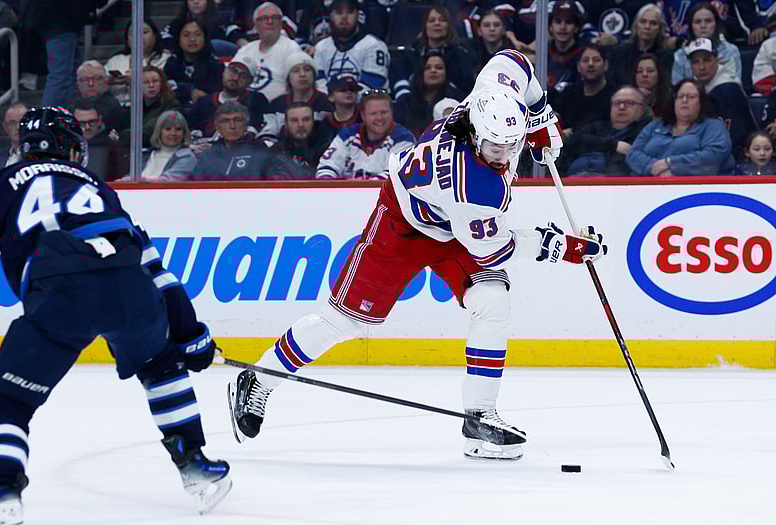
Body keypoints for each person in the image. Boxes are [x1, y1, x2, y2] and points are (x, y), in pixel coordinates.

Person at [226, 49, 572, 461]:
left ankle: (480, 419)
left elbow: (513, 60)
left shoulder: (490, 99)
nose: (504, 155)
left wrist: (541, 117)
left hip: (452, 225)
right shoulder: (473, 184)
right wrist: (559, 245)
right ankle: (259, 381)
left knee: (492, 299)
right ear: (477, 135)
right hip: (403, 226)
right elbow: (496, 245)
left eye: (511, 145)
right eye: (496, 147)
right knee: (344, 322)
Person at [0, 107, 231, 524]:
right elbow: (157, 270)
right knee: (161, 363)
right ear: (70, 147)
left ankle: (1, 490)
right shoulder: (97, 186)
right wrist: (191, 336)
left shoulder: (0, 184)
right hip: (125, 282)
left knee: (11, 401)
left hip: (57, 287)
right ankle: (195, 464)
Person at [627, 79, 733, 176]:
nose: (684, 100)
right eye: (680, 96)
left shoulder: (712, 126)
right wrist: (654, 168)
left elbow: (713, 156)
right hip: (646, 187)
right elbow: (632, 154)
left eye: (691, 97)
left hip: (694, 189)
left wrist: (670, 164)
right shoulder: (656, 124)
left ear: (701, 102)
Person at [316, 90, 415, 179]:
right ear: (363, 115)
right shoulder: (347, 135)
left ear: (392, 113)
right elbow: (326, 168)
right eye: (373, 113)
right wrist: (330, 188)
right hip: (345, 197)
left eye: (384, 112)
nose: (379, 118)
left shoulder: (404, 139)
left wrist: (360, 192)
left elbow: (393, 176)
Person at [687, 37, 756, 159]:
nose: (701, 67)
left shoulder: (728, 88)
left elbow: (738, 137)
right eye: (696, 62)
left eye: (707, 60)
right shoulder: (695, 88)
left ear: (717, 60)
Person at [558, 85, 649, 176]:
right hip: (569, 179)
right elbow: (575, 140)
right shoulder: (597, 126)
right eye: (617, 103)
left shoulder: (643, 132)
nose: (621, 107)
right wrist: (613, 145)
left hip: (610, 182)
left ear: (641, 109)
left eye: (629, 103)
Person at [390, 5, 474, 101]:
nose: (437, 23)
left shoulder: (460, 55)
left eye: (442, 20)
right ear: (425, 26)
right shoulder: (412, 55)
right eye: (431, 20)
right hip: (414, 108)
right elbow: (401, 83)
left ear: (449, 26)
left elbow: (466, 89)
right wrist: (406, 105)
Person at [190, 100, 291, 180]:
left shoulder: (260, 150)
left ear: (246, 124)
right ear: (217, 127)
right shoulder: (208, 154)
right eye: (226, 121)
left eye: (237, 120)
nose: (232, 126)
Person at [313, 0, 391, 94]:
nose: (344, 17)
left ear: (357, 15)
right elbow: (318, 81)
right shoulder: (321, 47)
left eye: (350, 12)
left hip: (367, 105)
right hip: (330, 105)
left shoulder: (374, 45)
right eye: (339, 13)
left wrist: (343, 98)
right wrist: (332, 99)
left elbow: (373, 83)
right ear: (331, 15)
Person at [231, 2, 301, 103]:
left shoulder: (291, 49)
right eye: (264, 18)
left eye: (275, 18)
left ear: (281, 23)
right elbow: (232, 77)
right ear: (255, 24)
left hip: (276, 108)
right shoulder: (246, 50)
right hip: (244, 107)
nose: (270, 21)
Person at [186, 53, 268, 139]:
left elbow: (254, 130)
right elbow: (192, 131)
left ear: (250, 81)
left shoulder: (256, 100)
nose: (236, 78)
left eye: (243, 76)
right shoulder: (203, 102)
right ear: (224, 71)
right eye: (233, 71)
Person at [259, 51, 334, 143]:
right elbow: (268, 135)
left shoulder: (326, 103)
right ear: (288, 77)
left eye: (307, 69)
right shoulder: (277, 104)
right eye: (295, 71)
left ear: (314, 75)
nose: (302, 74)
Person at [394, 50, 465, 140]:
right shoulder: (406, 102)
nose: (433, 71)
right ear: (420, 72)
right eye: (427, 68)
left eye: (439, 67)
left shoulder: (458, 99)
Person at [105, 19, 173, 106]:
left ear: (155, 36)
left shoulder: (166, 58)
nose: (139, 36)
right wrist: (111, 80)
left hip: (151, 108)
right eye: (133, 34)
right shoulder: (116, 60)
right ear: (127, 40)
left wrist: (137, 80)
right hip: (116, 107)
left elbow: (166, 86)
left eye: (144, 32)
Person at [671, 3, 741, 85]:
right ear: (691, 26)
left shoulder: (731, 51)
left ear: (716, 24)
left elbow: (735, 85)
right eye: (698, 22)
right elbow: (677, 89)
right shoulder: (680, 55)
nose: (703, 26)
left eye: (708, 21)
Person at [552, 44, 616, 134]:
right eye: (585, 60)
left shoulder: (615, 95)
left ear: (606, 65)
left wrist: (573, 132)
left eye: (596, 60)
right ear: (578, 67)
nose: (590, 64)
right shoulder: (569, 93)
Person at [608, 4, 674, 87]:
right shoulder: (620, 52)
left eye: (653, 23)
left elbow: (664, 87)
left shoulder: (666, 56)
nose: (647, 27)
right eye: (643, 21)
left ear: (660, 28)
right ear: (636, 25)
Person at [164, 19, 225, 108]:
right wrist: (190, 90)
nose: (192, 39)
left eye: (197, 35)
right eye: (186, 35)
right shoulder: (172, 63)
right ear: (178, 39)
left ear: (205, 38)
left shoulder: (215, 65)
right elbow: (168, 88)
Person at [73, 97, 129, 181]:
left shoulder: (112, 147)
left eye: (92, 122)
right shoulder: (66, 147)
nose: (87, 127)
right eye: (82, 123)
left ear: (99, 120)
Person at [271, 103, 334, 179]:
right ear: (286, 124)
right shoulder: (276, 151)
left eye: (306, 120)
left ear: (313, 122)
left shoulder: (328, 150)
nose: (301, 125)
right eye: (294, 120)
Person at [137, 111, 197, 181]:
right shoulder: (144, 155)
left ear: (184, 133)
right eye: (168, 129)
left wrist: (138, 181)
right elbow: (130, 178)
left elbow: (167, 182)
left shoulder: (187, 157)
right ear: (159, 132)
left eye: (178, 129)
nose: (173, 133)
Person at [462, 9, 522, 74]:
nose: (492, 28)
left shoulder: (513, 56)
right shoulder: (470, 54)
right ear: (479, 31)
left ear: (504, 30)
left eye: (496, 25)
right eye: (486, 25)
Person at [74, 60, 125, 133]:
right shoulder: (71, 106)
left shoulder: (113, 108)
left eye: (97, 79)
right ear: (78, 83)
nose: (91, 84)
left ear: (106, 82)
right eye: (85, 79)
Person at [546, 0, 583, 92]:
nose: (563, 27)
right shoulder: (543, 52)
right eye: (558, 22)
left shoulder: (584, 53)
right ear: (550, 27)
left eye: (569, 22)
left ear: (576, 28)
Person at [0, 103, 27, 174]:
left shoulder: (38, 157)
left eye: (22, 122)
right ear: (5, 127)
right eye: (12, 123)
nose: (18, 127)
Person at [632, 53, 670, 119]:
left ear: (659, 75)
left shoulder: (669, 100)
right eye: (639, 71)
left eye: (650, 71)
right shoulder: (626, 99)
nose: (644, 74)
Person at [324, 73, 362, 138]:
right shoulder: (325, 123)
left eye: (353, 89)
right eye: (343, 89)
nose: (349, 92)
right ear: (331, 97)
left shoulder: (364, 117)